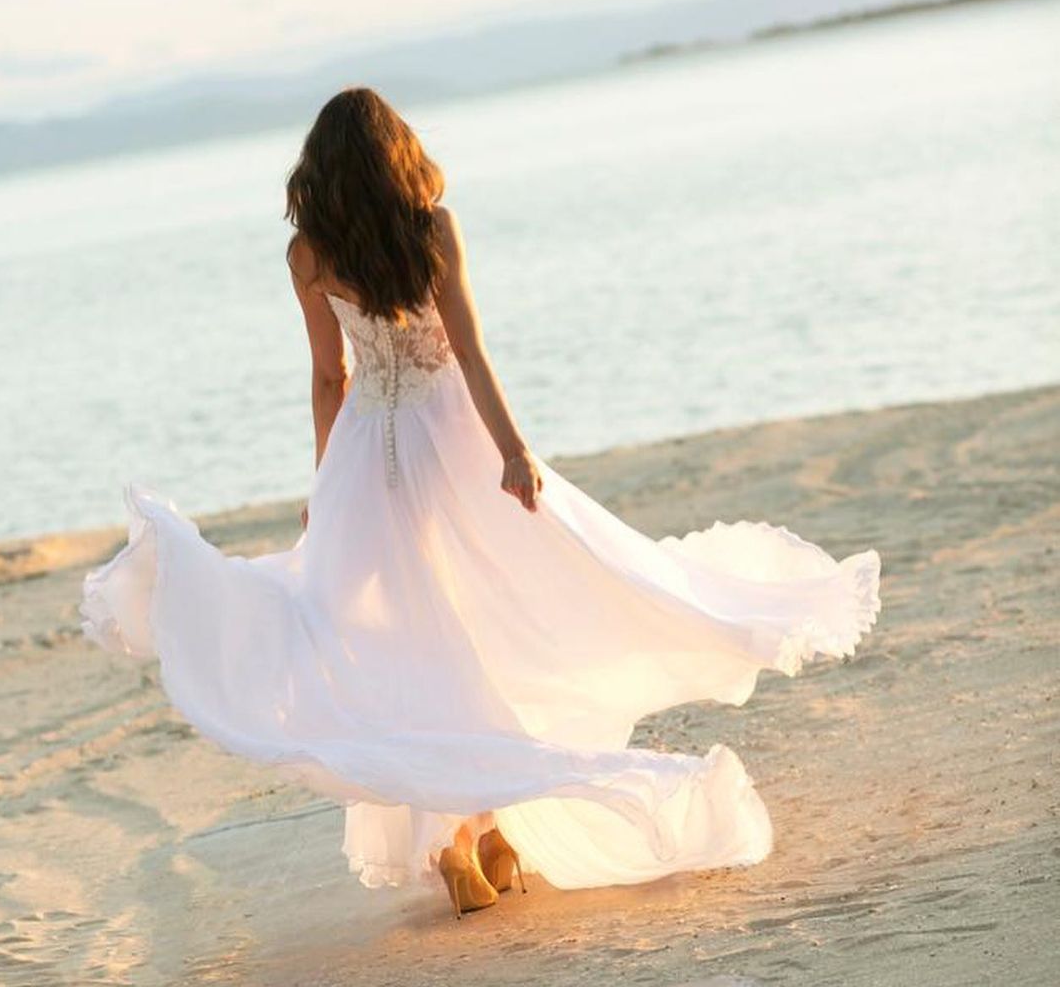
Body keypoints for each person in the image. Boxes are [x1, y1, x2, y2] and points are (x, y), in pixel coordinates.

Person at [81, 86, 882, 918]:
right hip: (450, 437)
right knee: (488, 623)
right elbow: (465, 347)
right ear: (397, 151)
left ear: (319, 169)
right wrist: (511, 450)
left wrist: (326, 489)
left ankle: (464, 844)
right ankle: (484, 836)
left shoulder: (308, 252)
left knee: (401, 641)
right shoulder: (432, 229)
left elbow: (331, 377)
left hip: (367, 454)